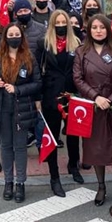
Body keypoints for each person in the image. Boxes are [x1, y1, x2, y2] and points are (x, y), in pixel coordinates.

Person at [73, 14, 112, 208]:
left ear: (108, 29)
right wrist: (96, 97)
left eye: (102, 27)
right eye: (94, 27)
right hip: (93, 106)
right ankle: (101, 186)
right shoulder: (82, 51)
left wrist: (111, 99)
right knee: (95, 148)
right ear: (89, 30)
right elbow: (78, 78)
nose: (98, 31)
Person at [0, 23, 41, 203]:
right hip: (1, 108)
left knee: (20, 147)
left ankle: (20, 183)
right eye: (11, 34)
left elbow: (37, 83)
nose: (14, 37)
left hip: (21, 109)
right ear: (5, 37)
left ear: (22, 37)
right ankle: (8, 182)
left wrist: (18, 90)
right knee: (6, 146)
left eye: (17, 34)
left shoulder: (29, 57)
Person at [36, 10, 82, 196]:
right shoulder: (44, 44)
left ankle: (73, 165)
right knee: (53, 137)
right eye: (58, 23)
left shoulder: (76, 43)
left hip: (71, 95)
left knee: (73, 134)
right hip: (51, 96)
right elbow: (37, 72)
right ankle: (54, 177)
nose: (61, 26)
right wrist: (38, 98)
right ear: (52, 25)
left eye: (64, 23)